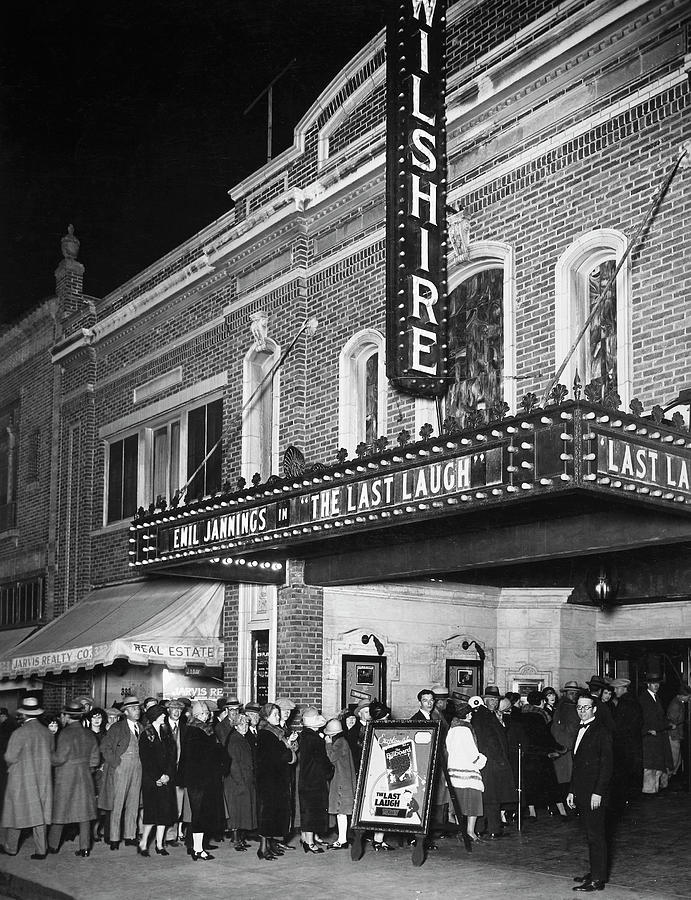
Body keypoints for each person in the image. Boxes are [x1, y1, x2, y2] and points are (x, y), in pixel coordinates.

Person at [567, 695, 613, 893]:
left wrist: (598, 792)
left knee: (596, 835)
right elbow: (577, 765)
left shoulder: (602, 731)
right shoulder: (580, 728)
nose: (582, 710)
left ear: (594, 709)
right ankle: (596, 871)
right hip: (582, 790)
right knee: (589, 833)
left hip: (595, 792)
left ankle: (597, 880)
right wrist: (571, 791)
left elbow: (607, 765)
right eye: (579, 707)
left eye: (586, 707)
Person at [0, 697, 53, 859]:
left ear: (23, 714)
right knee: (39, 814)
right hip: (43, 778)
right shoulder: (47, 732)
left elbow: (9, 757)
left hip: (22, 778)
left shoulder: (19, 733)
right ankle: (41, 850)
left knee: (16, 812)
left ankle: (11, 847)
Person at [48, 699, 100, 858]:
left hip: (66, 777)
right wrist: (85, 769)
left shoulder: (65, 734)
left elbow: (59, 759)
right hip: (84, 777)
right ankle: (84, 848)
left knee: (60, 812)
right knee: (84, 815)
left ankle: (53, 846)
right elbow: (95, 760)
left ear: (66, 716)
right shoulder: (89, 734)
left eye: (63, 715)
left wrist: (49, 752)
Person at [177, 699, 225, 861]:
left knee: (200, 814)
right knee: (199, 814)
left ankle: (196, 847)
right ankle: (198, 849)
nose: (207, 716)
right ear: (197, 715)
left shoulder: (197, 729)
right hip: (200, 779)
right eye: (204, 713)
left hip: (201, 778)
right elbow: (203, 755)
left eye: (207, 713)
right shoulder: (197, 730)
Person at [470, 685, 515, 839]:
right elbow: (488, 741)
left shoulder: (488, 714)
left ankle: (483, 828)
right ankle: (493, 829)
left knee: (489, 796)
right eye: (490, 699)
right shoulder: (483, 715)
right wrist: (499, 759)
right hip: (491, 761)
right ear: (484, 700)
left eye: (496, 700)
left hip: (490, 761)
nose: (494, 702)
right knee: (492, 797)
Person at [99, 695, 143, 849]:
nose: (137, 711)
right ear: (125, 712)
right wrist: (115, 763)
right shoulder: (117, 728)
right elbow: (105, 747)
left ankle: (130, 835)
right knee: (117, 804)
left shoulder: (142, 727)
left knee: (134, 802)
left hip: (138, 768)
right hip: (121, 768)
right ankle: (114, 838)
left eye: (137, 708)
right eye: (133, 708)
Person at [256, 702, 297, 860]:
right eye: (275, 715)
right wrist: (289, 749)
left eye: (278, 715)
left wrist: (289, 745)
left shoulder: (276, 732)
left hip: (276, 780)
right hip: (269, 781)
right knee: (267, 814)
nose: (278, 717)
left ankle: (270, 846)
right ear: (266, 717)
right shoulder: (266, 734)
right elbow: (281, 756)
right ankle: (262, 849)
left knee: (273, 814)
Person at [518, 691, 566, 819]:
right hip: (542, 754)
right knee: (551, 783)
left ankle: (532, 812)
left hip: (528, 754)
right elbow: (546, 737)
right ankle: (562, 811)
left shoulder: (522, 715)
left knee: (531, 784)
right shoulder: (540, 716)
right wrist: (560, 748)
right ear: (541, 702)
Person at [137, 703, 177, 856]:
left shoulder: (166, 732)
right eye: (161, 714)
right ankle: (144, 843)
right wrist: (158, 776)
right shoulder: (146, 734)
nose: (164, 716)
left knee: (164, 813)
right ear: (154, 716)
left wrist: (167, 775)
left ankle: (160, 845)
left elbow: (172, 756)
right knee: (151, 814)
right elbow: (146, 759)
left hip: (165, 779)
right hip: (151, 780)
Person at [446, 700, 486, 843]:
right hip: (468, 771)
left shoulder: (452, 728)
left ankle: (461, 829)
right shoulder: (466, 729)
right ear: (468, 715)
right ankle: (470, 831)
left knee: (459, 803)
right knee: (472, 802)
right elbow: (472, 752)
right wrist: (481, 761)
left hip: (454, 771)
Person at [298, 708, 333, 853]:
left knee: (307, 810)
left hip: (306, 779)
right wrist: (330, 770)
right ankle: (310, 843)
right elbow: (322, 760)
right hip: (315, 780)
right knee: (313, 811)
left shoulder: (305, 735)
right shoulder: (315, 739)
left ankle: (306, 838)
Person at [223, 712, 257, 851]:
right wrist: (240, 782)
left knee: (243, 810)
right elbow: (233, 764)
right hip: (236, 781)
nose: (244, 726)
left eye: (246, 724)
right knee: (236, 811)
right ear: (235, 725)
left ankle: (240, 838)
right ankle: (235, 840)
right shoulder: (234, 739)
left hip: (244, 779)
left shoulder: (242, 738)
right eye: (241, 724)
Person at [324, 717, 356, 849]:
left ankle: (342, 840)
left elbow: (331, 757)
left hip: (341, 781)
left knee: (341, 812)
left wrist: (328, 744)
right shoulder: (343, 741)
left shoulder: (339, 743)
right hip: (344, 780)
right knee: (341, 812)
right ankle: (342, 838)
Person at [609, 678, 642, 806]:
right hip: (633, 742)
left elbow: (618, 725)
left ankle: (623, 797)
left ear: (624, 689)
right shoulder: (634, 701)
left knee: (622, 771)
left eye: (617, 689)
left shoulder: (624, 703)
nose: (615, 691)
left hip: (623, 743)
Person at [639, 672, 673, 794]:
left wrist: (667, 724)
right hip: (649, 737)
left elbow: (659, 717)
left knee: (657, 764)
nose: (656, 686)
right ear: (648, 684)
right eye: (653, 683)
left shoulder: (656, 698)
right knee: (650, 765)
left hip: (657, 736)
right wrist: (647, 730)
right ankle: (648, 791)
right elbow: (641, 718)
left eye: (657, 683)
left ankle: (654, 789)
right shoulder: (643, 699)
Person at [551, 681, 581, 807]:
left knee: (563, 777)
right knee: (568, 778)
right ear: (566, 693)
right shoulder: (568, 707)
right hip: (567, 747)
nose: (573, 695)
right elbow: (572, 728)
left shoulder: (561, 705)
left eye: (575, 693)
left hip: (562, 746)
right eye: (571, 693)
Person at [164, 698, 187, 846]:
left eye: (179, 710)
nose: (177, 712)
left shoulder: (185, 728)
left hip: (180, 772)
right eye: (174, 709)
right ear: (168, 710)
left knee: (178, 806)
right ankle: (163, 835)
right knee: (165, 804)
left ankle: (172, 835)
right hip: (165, 772)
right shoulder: (161, 727)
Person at [667, 683, 691, 779]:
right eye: (688, 697)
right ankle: (665, 781)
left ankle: (668, 780)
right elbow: (672, 722)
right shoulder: (676, 705)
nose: (689, 699)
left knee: (677, 760)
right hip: (673, 736)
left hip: (676, 735)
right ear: (681, 695)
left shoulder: (679, 703)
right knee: (674, 760)